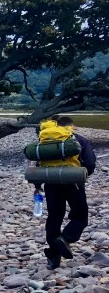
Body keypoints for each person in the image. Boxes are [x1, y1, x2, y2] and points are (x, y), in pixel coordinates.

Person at [43, 116, 97, 270]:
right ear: (71, 126)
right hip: (74, 182)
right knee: (80, 216)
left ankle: (54, 255)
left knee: (54, 217)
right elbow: (91, 163)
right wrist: (82, 176)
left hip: (51, 183)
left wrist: (37, 184)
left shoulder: (47, 140)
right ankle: (65, 238)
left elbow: (40, 162)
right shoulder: (79, 139)